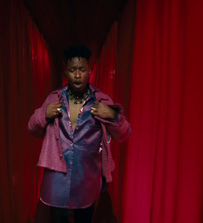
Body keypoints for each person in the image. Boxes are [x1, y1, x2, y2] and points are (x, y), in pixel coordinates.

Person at [28, 45, 131, 223]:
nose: (77, 75)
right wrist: (43, 114)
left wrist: (112, 115)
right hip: (57, 182)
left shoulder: (102, 100)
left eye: (82, 69)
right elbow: (32, 128)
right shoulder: (54, 98)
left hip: (87, 182)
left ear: (89, 70)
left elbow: (124, 134)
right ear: (65, 72)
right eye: (72, 70)